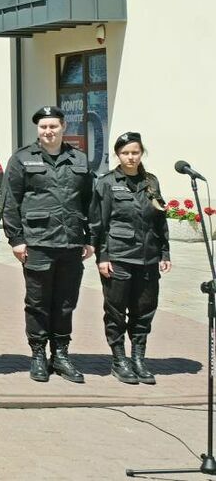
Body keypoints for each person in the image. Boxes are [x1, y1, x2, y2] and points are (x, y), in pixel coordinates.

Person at [1, 106, 94, 383]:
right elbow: (10, 201)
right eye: (43, 127)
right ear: (38, 130)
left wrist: (90, 239)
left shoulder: (79, 158)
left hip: (71, 242)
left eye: (53, 126)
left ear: (63, 126)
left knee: (66, 302)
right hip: (38, 241)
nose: (48, 131)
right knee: (38, 302)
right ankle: (39, 354)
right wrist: (16, 240)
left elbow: (90, 202)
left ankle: (62, 355)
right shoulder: (21, 159)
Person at [91, 131, 170, 385]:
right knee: (115, 311)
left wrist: (164, 252)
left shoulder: (151, 182)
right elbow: (98, 223)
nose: (130, 157)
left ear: (141, 153)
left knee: (144, 310)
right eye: (125, 153)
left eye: (135, 152)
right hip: (118, 257)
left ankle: (138, 358)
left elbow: (160, 220)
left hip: (148, 258)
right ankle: (119, 360)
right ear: (118, 155)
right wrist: (102, 256)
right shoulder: (106, 182)